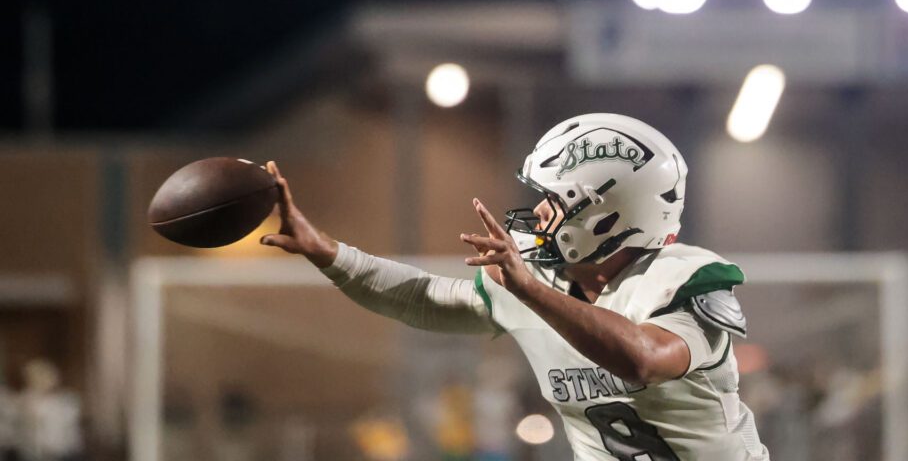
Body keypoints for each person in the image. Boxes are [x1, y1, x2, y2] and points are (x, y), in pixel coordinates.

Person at [261, 113, 770, 460]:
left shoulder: (683, 278)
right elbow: (421, 298)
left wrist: (531, 291)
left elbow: (645, 359)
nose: (540, 212)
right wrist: (327, 253)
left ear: (606, 217)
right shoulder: (538, 280)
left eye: (557, 199)